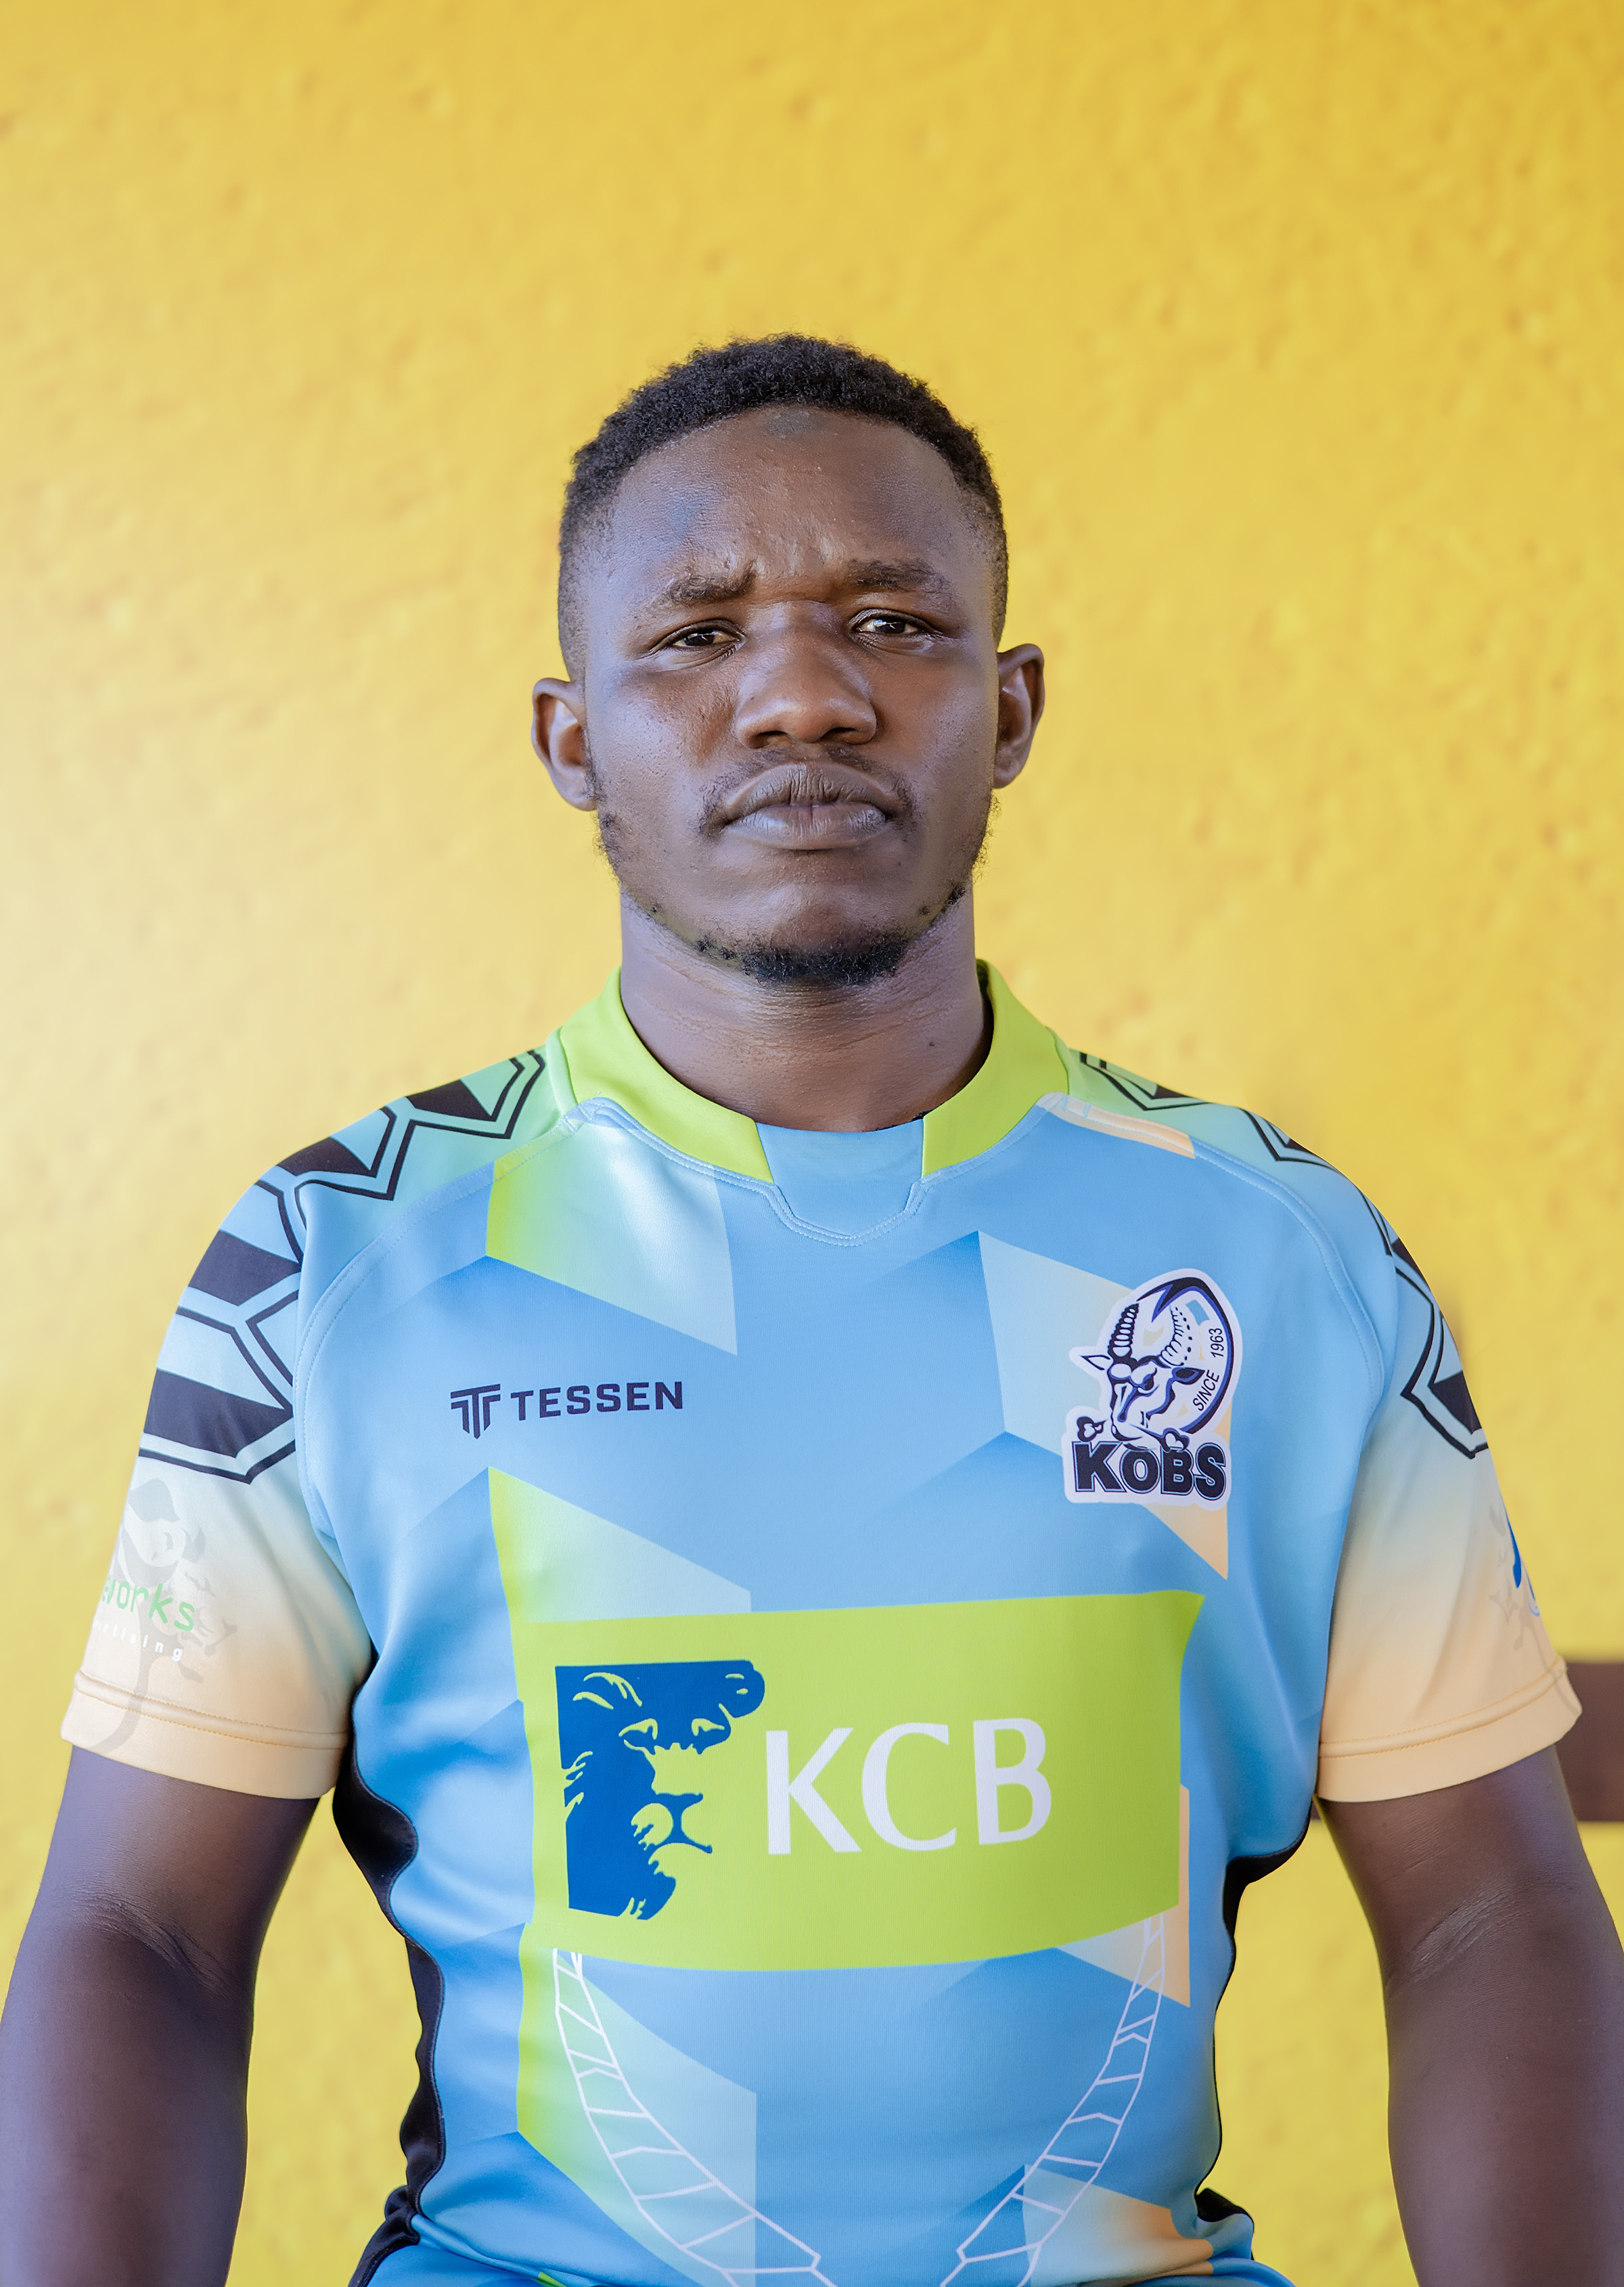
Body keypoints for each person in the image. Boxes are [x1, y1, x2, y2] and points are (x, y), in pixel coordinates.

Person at [1, 336, 1619, 2287]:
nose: (804, 695)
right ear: (571, 739)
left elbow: (1491, 1918)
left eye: (893, 623)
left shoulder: (1281, 1253)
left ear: (1009, 709)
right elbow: (145, 1936)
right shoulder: (339, 1263)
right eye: (696, 636)